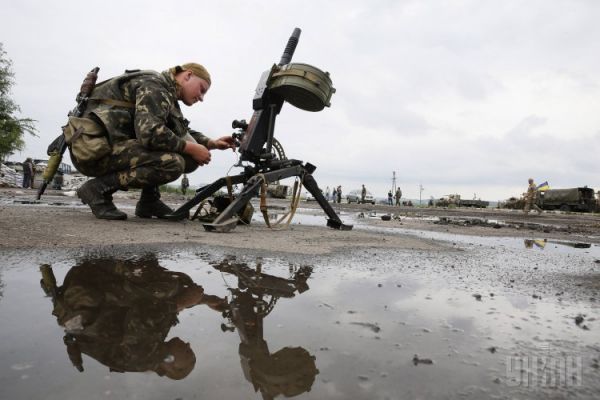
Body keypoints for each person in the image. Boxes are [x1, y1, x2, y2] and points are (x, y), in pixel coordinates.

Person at [71, 63, 236, 220]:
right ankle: (97, 189)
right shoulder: (155, 86)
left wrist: (212, 143)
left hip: (109, 147)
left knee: (187, 158)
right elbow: (150, 133)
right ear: (188, 76)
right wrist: (190, 148)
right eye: (202, 90)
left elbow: (180, 132)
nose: (201, 98)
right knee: (173, 162)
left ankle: (149, 202)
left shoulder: (166, 93)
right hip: (94, 151)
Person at [44, 256, 227, 379]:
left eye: (187, 353)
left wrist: (181, 302)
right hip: (86, 299)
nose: (187, 345)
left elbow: (143, 313)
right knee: (177, 290)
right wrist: (206, 300)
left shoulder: (143, 357)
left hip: (85, 293)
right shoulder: (153, 353)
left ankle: (113, 263)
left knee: (167, 288)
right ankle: (125, 263)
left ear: (170, 365)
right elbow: (159, 314)